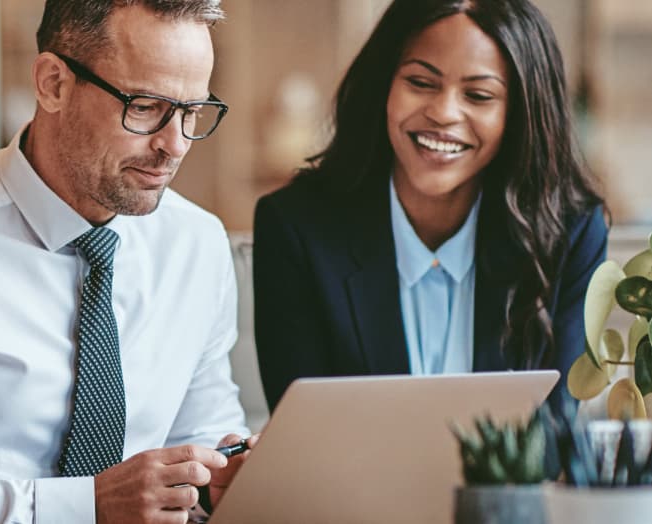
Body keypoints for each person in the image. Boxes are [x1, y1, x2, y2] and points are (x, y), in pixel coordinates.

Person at [0, 1, 256, 523]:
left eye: (193, 112)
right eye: (144, 107)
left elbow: (200, 431)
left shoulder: (197, 244)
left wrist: (222, 477)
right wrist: (81, 508)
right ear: (53, 83)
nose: (175, 145)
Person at [253, 0, 608, 412]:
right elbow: (306, 430)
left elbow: (553, 434)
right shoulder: (295, 229)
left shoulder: (569, 231)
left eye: (478, 94)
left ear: (522, 114)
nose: (442, 113)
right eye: (420, 83)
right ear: (383, 84)